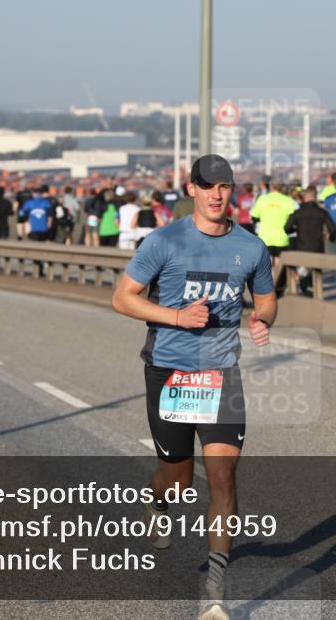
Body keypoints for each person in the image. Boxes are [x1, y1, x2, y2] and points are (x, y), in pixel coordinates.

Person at [111, 154, 276, 620]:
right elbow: (122, 298)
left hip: (220, 373)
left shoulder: (251, 246)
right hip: (170, 372)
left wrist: (262, 319)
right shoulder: (164, 241)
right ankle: (156, 497)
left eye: (225, 187)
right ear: (192, 189)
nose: (217, 195)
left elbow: (265, 299)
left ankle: (215, 593)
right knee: (180, 480)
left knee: (222, 477)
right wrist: (178, 317)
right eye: (208, 187)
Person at [284, 187, 336, 294]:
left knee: (304, 273)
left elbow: (286, 228)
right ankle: (317, 294)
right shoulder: (322, 212)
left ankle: (305, 290)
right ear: (315, 197)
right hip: (318, 248)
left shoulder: (298, 213)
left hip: (302, 247)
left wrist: (296, 229)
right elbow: (333, 229)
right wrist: (331, 238)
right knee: (316, 273)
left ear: (304, 197)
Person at [250, 180, 294, 265]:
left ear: (271, 186)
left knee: (267, 265)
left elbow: (254, 217)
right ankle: (277, 278)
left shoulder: (262, 199)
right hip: (282, 238)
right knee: (279, 265)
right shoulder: (288, 200)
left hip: (265, 237)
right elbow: (293, 218)